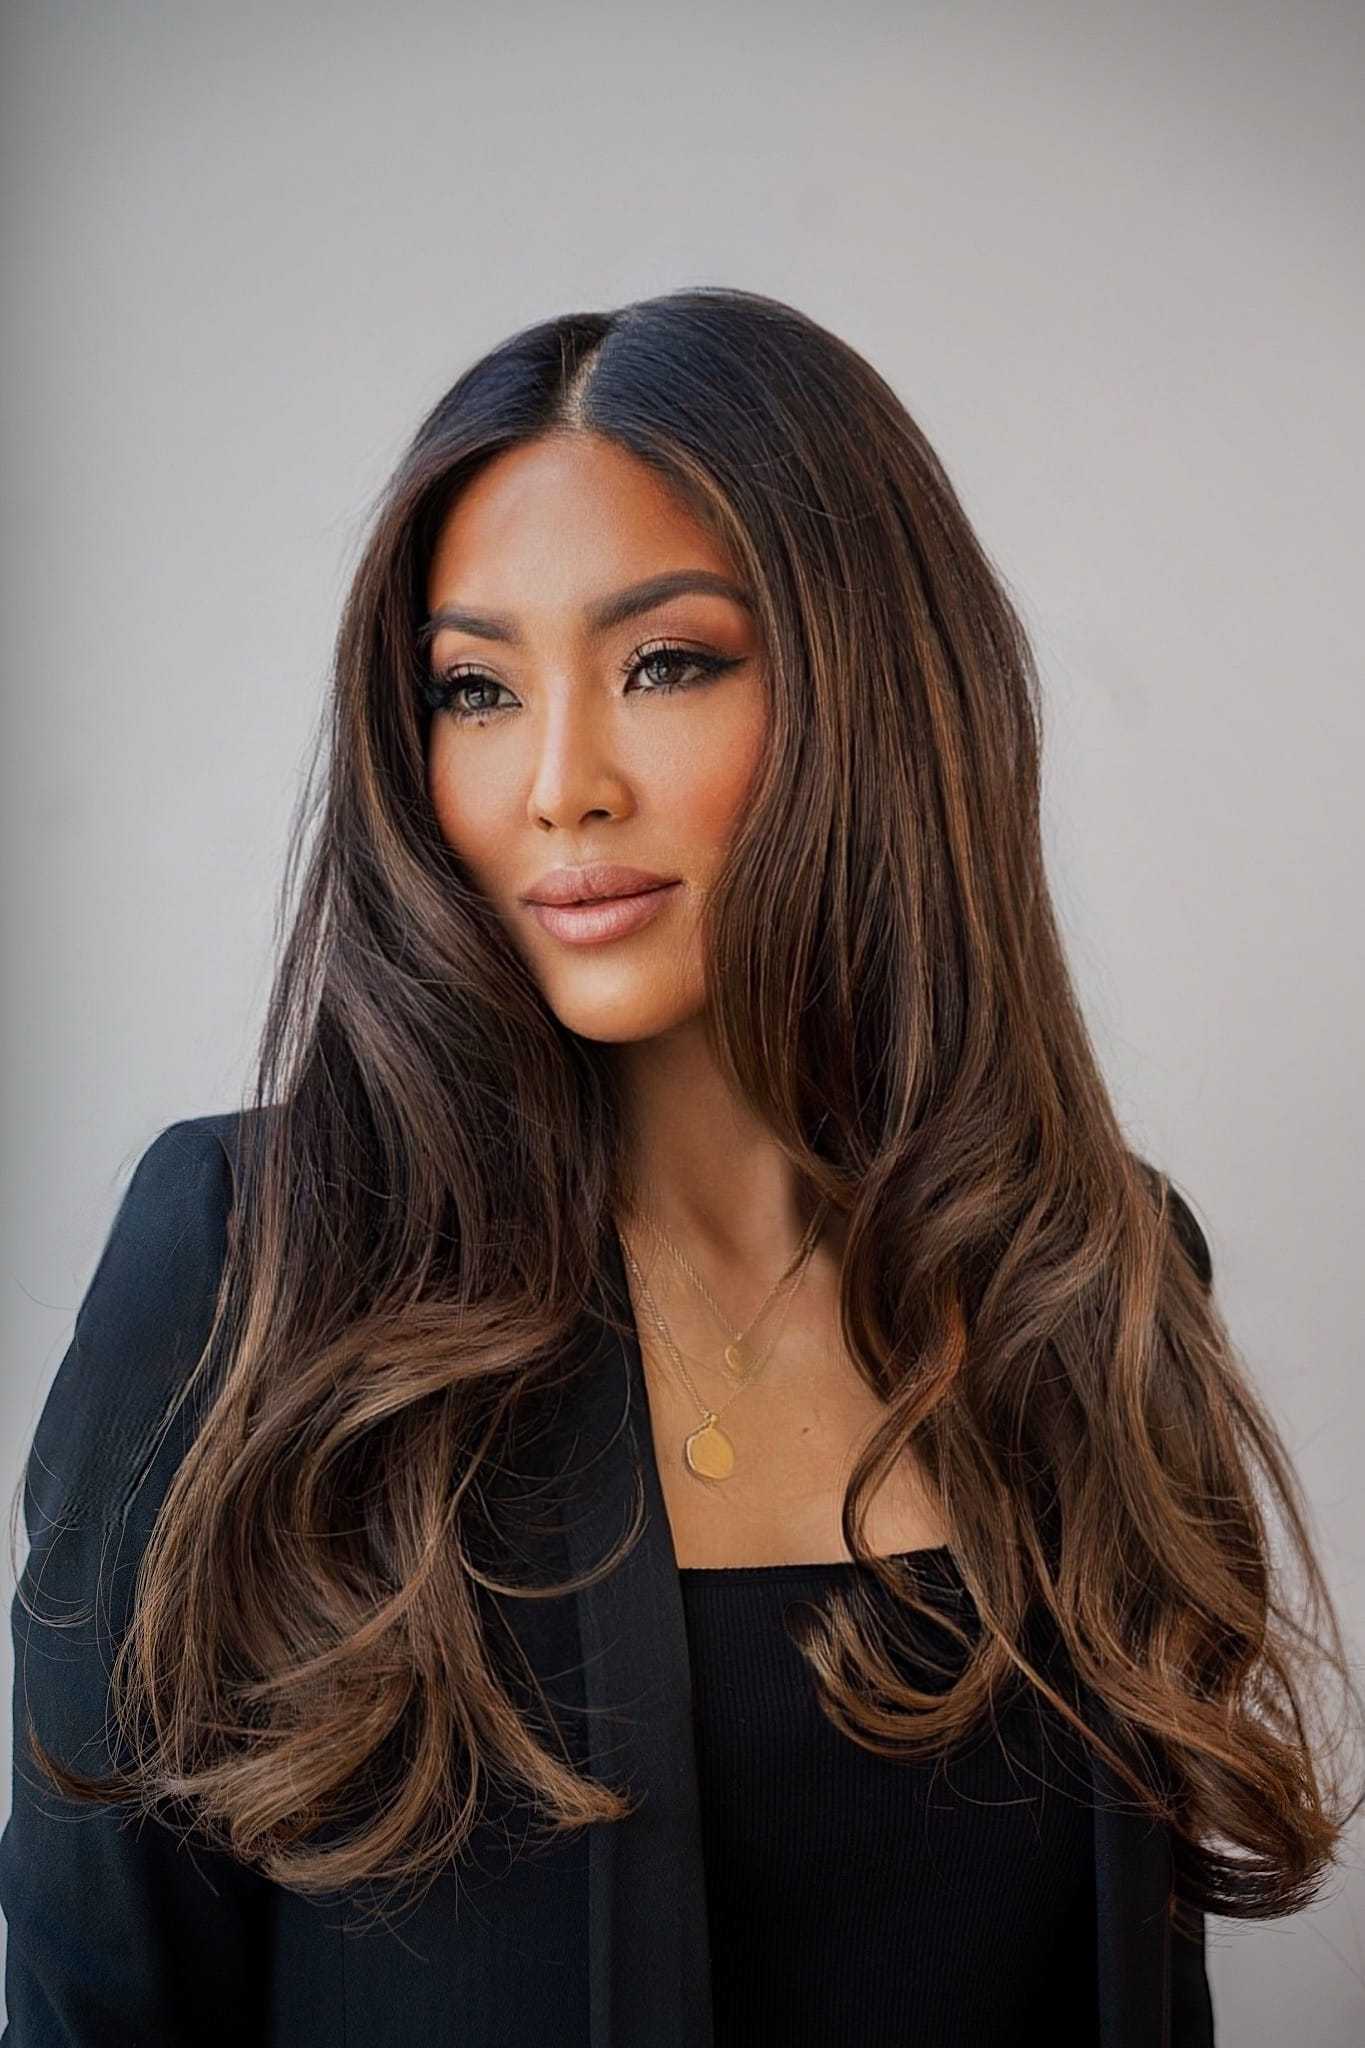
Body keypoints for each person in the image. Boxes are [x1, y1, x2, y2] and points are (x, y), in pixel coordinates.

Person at [3, 286, 1359, 2046]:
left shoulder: (1085, 1267)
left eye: (665, 663)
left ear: (884, 691)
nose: (558, 784)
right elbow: (101, 2000)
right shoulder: (254, 1266)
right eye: (475, 690)